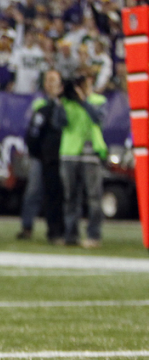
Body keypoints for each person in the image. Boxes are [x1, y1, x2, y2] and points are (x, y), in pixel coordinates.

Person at [17, 69, 66, 243]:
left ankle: (60, 229)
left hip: (61, 154)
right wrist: (35, 152)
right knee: (34, 191)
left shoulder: (65, 104)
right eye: (48, 81)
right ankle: (27, 226)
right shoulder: (39, 104)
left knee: (58, 193)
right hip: (41, 155)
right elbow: (33, 131)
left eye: (54, 81)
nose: (51, 84)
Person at [60, 70, 108, 248]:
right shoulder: (66, 102)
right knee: (70, 196)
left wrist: (83, 101)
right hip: (69, 152)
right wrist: (60, 100)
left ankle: (93, 235)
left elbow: (98, 118)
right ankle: (71, 235)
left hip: (90, 152)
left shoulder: (98, 101)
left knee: (94, 196)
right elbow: (60, 123)